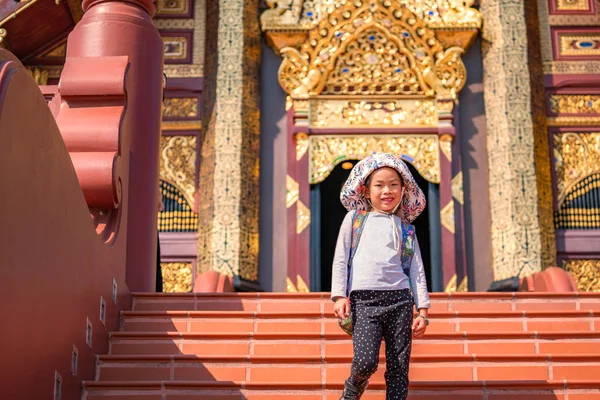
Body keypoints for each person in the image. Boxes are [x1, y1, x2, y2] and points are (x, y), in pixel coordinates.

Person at [331, 153, 430, 400]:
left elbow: (416, 270)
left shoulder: (406, 229)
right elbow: (341, 258)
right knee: (366, 362)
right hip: (364, 301)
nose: (387, 191)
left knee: (398, 368)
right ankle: (353, 388)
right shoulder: (354, 220)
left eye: (394, 184)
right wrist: (339, 296)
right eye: (379, 185)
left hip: (400, 302)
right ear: (365, 190)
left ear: (403, 189)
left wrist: (423, 310)